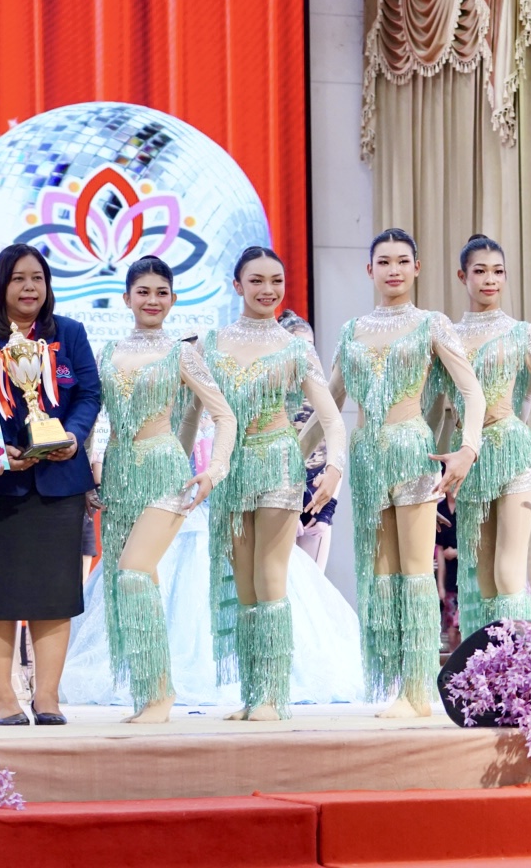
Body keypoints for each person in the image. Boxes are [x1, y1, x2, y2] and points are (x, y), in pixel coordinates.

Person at [319, 228, 485, 718]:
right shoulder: (352, 330)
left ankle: (418, 691)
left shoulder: (432, 323)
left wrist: (468, 449)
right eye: (384, 261)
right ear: (369, 269)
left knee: (415, 572)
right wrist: (299, 457)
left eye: (402, 261)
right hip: (367, 458)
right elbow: (331, 402)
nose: (394, 270)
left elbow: (471, 392)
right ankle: (398, 686)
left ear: (417, 268)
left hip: (413, 450)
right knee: (383, 576)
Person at [0, 244, 100, 726]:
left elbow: (89, 393)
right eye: (18, 278)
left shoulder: (69, 333)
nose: (29, 287)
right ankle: (3, 698)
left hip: (59, 482)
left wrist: (72, 437)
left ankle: (48, 698)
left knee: (53, 594)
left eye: (37, 277)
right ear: (1, 285)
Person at [198, 247, 346, 720]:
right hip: (230, 469)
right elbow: (192, 414)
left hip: (280, 462)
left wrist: (334, 468)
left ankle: (273, 698)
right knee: (244, 587)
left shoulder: (296, 347)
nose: (268, 290)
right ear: (237, 285)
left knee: (270, 578)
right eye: (257, 280)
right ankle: (252, 695)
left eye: (276, 281)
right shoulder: (211, 343)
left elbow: (331, 419)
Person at [93, 256, 236, 724]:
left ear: (173, 299)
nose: (152, 300)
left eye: (161, 292)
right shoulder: (108, 351)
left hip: (165, 472)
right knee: (134, 583)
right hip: (118, 475)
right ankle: (149, 693)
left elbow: (224, 415)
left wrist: (214, 470)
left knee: (134, 573)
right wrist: (91, 466)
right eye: (143, 292)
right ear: (126, 298)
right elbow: (95, 416)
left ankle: (160, 697)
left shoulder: (182, 353)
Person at [431, 235, 531, 633]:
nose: (489, 280)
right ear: (462, 276)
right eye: (480, 271)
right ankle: (484, 661)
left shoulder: (522, 333)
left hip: (514, 451)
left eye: (497, 271)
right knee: (480, 576)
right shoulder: (446, 335)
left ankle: (517, 661)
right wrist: (433, 476)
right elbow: (440, 410)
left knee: (508, 571)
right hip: (468, 458)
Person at [280, 311, 335, 571]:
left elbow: (335, 455)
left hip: (316, 501)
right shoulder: (268, 394)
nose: (304, 353)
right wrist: (285, 506)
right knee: (280, 584)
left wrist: (327, 509)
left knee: (314, 584)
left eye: (310, 346)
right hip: (277, 499)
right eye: (296, 345)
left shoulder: (322, 392)